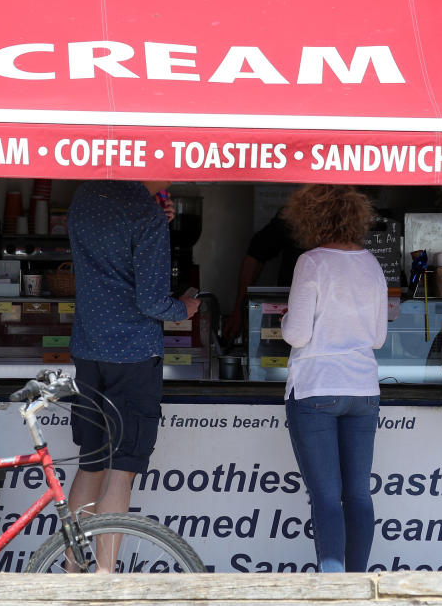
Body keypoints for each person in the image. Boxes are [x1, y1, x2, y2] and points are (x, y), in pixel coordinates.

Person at [66, 180, 201, 530]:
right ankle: (105, 575)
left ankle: (71, 569)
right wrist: (184, 308)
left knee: (91, 463)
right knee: (120, 471)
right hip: (133, 354)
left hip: (88, 348)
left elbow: (113, 248)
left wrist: (158, 223)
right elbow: (152, 302)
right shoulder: (145, 214)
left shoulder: (85, 195)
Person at [279, 184, 388, 573]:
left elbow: (296, 335)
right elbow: (377, 338)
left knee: (326, 497)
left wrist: (283, 319)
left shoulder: (312, 262)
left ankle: (333, 586)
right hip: (362, 390)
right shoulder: (371, 263)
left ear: (309, 219)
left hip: (317, 387)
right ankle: (357, 586)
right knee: (358, 494)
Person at [222, 209, 305, 342]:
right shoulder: (296, 215)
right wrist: (240, 310)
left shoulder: (348, 217)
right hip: (290, 314)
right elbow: (256, 253)